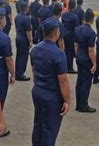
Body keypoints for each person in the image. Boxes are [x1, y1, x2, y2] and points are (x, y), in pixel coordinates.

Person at [30, 17, 70, 146]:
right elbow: (63, 81)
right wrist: (67, 100)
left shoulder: (35, 50)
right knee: (50, 129)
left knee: (38, 125)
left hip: (38, 90)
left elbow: (34, 71)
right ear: (56, 32)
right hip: (52, 96)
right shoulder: (59, 54)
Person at [74, 9, 97, 113]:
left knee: (79, 81)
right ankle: (84, 105)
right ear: (92, 19)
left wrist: (77, 55)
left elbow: (76, 45)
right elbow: (91, 50)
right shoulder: (91, 33)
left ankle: (78, 103)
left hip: (79, 56)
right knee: (86, 82)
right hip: (87, 59)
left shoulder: (78, 29)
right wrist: (94, 63)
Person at [15, 1, 32, 81]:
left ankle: (17, 72)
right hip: (24, 39)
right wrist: (30, 41)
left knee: (18, 56)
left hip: (18, 37)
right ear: (27, 8)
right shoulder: (27, 19)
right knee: (23, 57)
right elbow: (28, 32)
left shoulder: (17, 17)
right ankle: (20, 74)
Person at [62, 0, 80, 73]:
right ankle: (70, 68)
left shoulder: (64, 14)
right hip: (71, 35)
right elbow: (76, 29)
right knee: (70, 52)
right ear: (74, 6)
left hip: (64, 34)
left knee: (65, 50)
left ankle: (64, 66)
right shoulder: (75, 17)